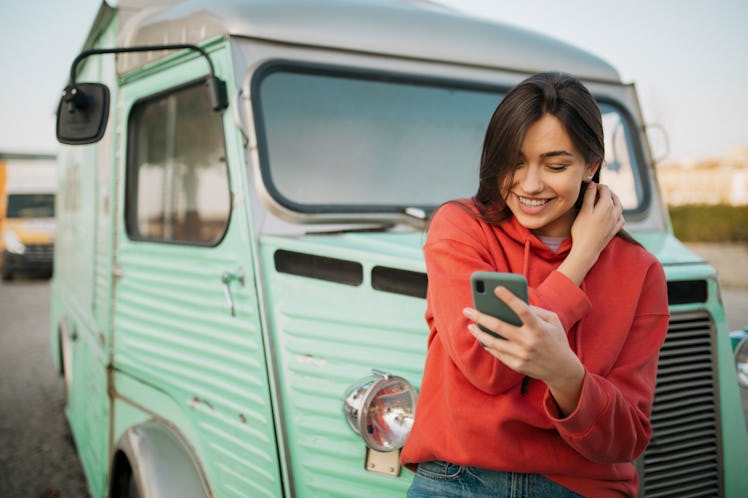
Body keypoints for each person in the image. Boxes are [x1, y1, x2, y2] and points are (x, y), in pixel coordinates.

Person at [401, 72, 669, 498]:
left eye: (556, 165)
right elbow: (488, 369)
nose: (529, 184)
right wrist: (580, 260)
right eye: (515, 161)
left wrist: (565, 375)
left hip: (581, 488)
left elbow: (625, 439)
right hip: (457, 478)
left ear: (592, 164)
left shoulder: (641, 271)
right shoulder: (461, 229)